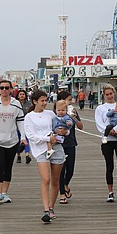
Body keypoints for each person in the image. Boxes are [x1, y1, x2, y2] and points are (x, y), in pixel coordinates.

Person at [23, 90, 67, 223]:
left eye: (45, 100)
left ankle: (51, 207)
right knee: (45, 179)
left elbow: (60, 125)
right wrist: (47, 138)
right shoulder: (29, 116)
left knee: (55, 180)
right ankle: (45, 209)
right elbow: (31, 136)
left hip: (57, 148)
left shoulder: (50, 114)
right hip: (41, 150)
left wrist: (64, 131)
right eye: (42, 101)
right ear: (35, 101)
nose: (44, 103)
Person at [0, 79, 26, 204]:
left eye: (7, 88)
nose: (4, 90)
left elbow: (20, 121)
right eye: (1, 88)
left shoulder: (16, 104)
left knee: (8, 167)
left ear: (11, 90)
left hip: (12, 141)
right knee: (0, 165)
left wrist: (23, 137)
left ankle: (5, 193)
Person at [95, 84, 117, 202]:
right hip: (108, 140)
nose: (109, 96)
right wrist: (109, 131)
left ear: (114, 93)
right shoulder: (100, 108)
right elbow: (99, 124)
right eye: (107, 94)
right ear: (104, 95)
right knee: (109, 166)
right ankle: (110, 191)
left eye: (111, 93)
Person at [56, 90, 83, 205]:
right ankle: (62, 193)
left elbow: (81, 127)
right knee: (60, 170)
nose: (70, 101)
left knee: (70, 170)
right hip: (58, 144)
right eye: (69, 99)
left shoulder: (72, 111)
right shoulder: (55, 112)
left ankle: (65, 185)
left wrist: (74, 118)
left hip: (71, 143)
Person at [15, 89, 33, 164]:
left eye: (23, 94)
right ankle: (18, 155)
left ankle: (27, 155)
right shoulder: (15, 103)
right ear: (18, 96)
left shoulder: (29, 104)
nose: (22, 95)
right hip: (16, 125)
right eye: (20, 94)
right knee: (18, 140)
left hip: (26, 125)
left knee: (26, 140)